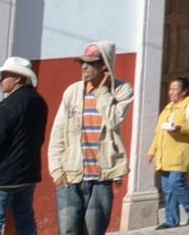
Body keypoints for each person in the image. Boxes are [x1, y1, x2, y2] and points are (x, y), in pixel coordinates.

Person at [47, 42, 133, 235]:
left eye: (90, 63)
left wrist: (102, 93)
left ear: (105, 66)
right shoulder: (72, 92)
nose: (84, 67)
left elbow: (113, 121)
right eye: (81, 63)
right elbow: (58, 132)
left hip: (101, 177)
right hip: (71, 175)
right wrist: (56, 168)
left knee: (94, 231)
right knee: (69, 230)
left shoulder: (121, 91)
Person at [0, 55, 47, 235]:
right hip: (28, 174)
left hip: (3, 177)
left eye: (5, 76)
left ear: (18, 78)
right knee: (25, 220)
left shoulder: (8, 106)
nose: (0, 80)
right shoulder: (39, 102)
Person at [150, 75, 189, 228]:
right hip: (164, 155)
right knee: (168, 188)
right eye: (170, 89)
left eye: (175, 89)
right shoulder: (167, 109)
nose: (171, 92)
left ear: (184, 91)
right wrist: (152, 151)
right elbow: (159, 132)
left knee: (176, 183)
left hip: (181, 153)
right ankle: (171, 220)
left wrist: (181, 129)